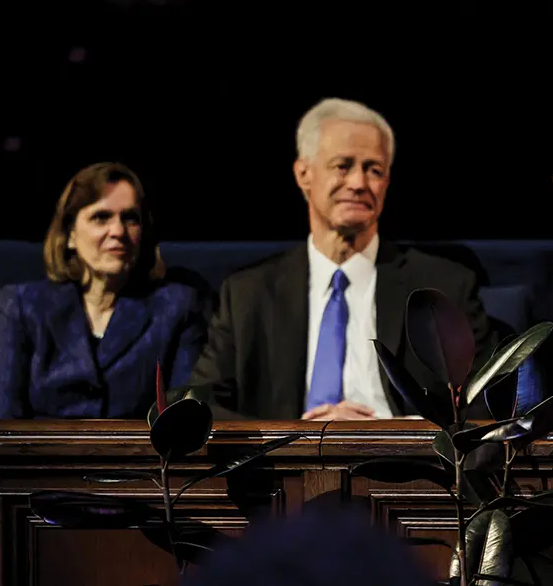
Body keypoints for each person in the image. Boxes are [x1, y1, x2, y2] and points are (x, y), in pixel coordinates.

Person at [188, 98, 489, 420]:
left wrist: (396, 433)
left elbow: (490, 403)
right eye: (342, 166)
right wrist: (293, 438)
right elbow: (201, 407)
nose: (358, 183)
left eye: (373, 169)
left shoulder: (443, 286)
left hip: (411, 464)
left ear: (387, 181)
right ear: (304, 174)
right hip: (281, 466)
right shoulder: (247, 295)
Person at [0, 163, 206, 419]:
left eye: (130, 218)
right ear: (70, 235)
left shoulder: (177, 308)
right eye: (101, 217)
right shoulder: (23, 307)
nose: (118, 231)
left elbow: (183, 422)